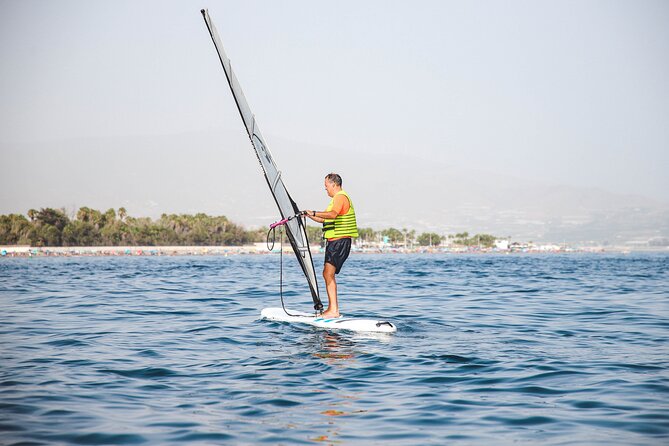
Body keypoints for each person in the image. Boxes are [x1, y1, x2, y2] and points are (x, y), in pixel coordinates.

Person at [303, 173, 359, 318]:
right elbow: (324, 220)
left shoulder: (340, 197)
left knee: (328, 274)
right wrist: (309, 215)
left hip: (339, 242)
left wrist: (314, 211)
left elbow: (332, 215)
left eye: (326, 186)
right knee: (327, 274)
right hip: (336, 242)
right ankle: (333, 309)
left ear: (334, 184)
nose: (325, 189)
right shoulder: (336, 199)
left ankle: (333, 310)